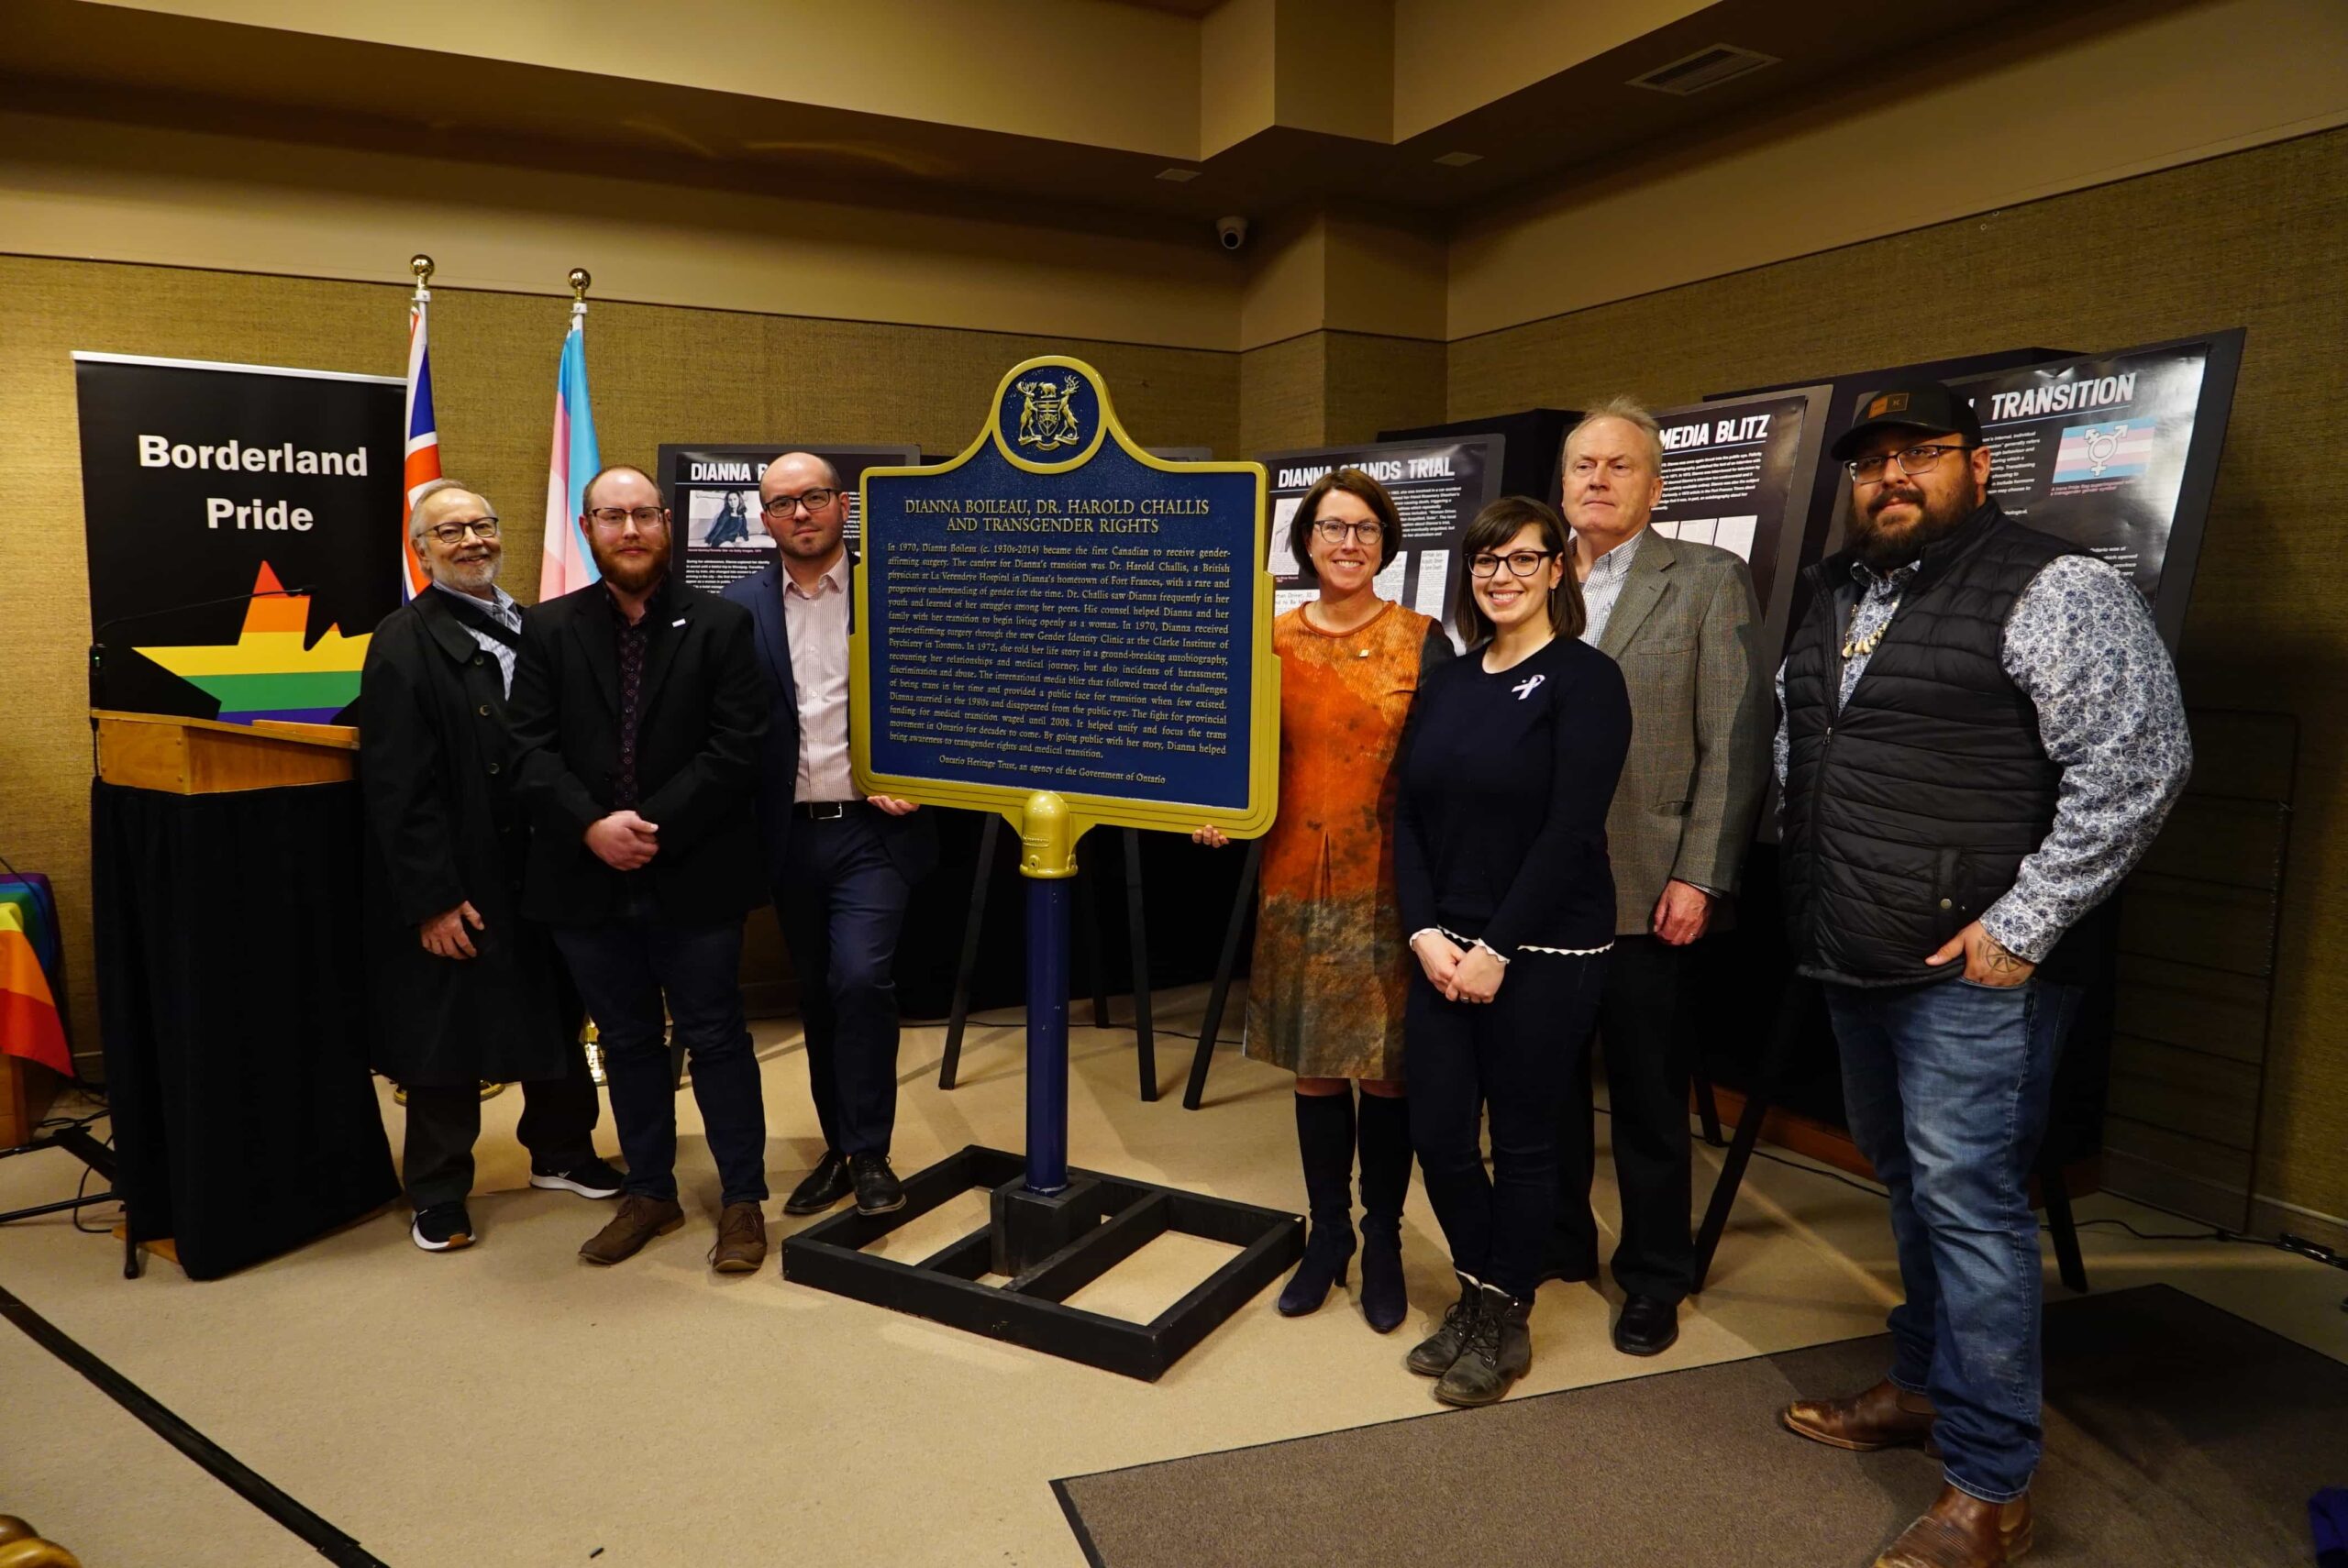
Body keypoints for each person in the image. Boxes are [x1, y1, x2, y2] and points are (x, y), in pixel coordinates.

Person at [1775, 381, 2189, 1568]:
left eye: (1922, 455)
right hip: (1857, 949)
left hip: (1980, 974)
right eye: (1872, 463)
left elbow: (2141, 758)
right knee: (1910, 1188)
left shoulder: (2057, 586)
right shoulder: (1838, 587)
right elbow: (1811, 746)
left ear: (1980, 467)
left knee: (1970, 1207)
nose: (1891, 477)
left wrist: (2029, 919)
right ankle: (1921, 1387)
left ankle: (1993, 1482)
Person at [1194, 469, 1448, 1333]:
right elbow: (1236, 756)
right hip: (1295, 883)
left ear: (1388, 543)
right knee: (1312, 1067)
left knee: (1383, 1072)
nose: (1349, 543)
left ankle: (1383, 1242)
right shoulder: (1270, 641)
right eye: (1333, 528)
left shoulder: (1424, 639)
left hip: (1389, 889)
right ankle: (1328, 1234)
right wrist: (1217, 812)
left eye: (1367, 530)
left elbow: (1447, 772)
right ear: (1306, 541)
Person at [507, 464, 775, 1272]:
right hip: (583, 875)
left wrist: (646, 826)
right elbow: (526, 749)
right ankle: (651, 1191)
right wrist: (593, 826)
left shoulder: (722, 624)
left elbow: (738, 747)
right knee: (625, 1041)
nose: (629, 530)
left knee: (716, 1036)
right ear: (587, 529)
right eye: (611, 516)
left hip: (693, 867)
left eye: (643, 515)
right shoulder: (549, 628)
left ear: (667, 524)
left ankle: (741, 1202)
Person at [1394, 495, 1631, 1406]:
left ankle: (1503, 1311)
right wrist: (1421, 931)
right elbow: (1407, 814)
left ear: (1555, 569)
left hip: (1544, 947)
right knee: (1439, 1138)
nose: (1500, 577)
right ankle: (1477, 1288)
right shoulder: (1449, 679)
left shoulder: (1585, 679)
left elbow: (1572, 827)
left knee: (1525, 1142)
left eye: (1520, 560)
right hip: (1438, 945)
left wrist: (1496, 946)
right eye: (1485, 562)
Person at [1549, 397, 1770, 1355]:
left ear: (1655, 485)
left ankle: (1651, 1274)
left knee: (1644, 1096)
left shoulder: (1708, 581)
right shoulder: (1524, 570)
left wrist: (1702, 875)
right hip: (1537, 889)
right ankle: (1557, 1241)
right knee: (1543, 1082)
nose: (1596, 481)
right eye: (1582, 466)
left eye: (1618, 466)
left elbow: (1734, 740)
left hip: (1648, 881)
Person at [360, 480, 622, 1252]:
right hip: (464, 871)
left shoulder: (537, 626)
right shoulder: (403, 642)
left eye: (482, 525)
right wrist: (432, 899)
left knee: (556, 1011)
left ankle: (564, 1153)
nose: (471, 542)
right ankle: (437, 1190)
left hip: (549, 861)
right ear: (421, 551)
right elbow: (395, 786)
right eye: (449, 533)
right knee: (448, 1034)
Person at [722, 453, 936, 1220]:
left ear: (842, 504)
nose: (801, 513)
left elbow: (949, 693)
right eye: (782, 503)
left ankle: (870, 1148)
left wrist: (923, 771)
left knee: (859, 980)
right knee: (818, 994)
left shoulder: (900, 590)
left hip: (874, 833)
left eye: (814, 497)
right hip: (787, 838)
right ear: (765, 516)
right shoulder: (737, 606)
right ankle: (842, 1148)